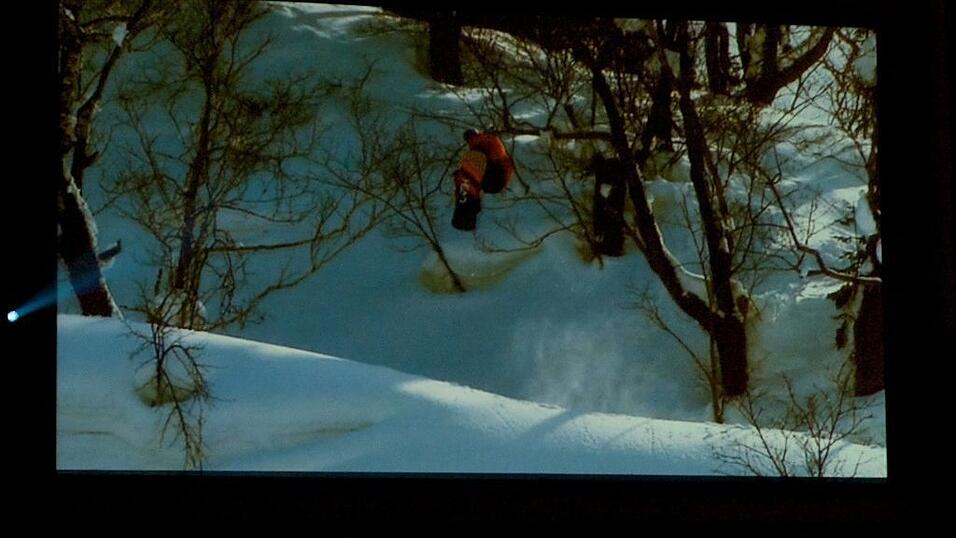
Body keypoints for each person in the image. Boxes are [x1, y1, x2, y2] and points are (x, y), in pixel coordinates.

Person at [451, 129, 513, 231]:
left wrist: (462, 174)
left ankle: (465, 211)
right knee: (467, 172)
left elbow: (474, 165)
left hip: (496, 175)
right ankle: (468, 208)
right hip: (497, 179)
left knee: (468, 169)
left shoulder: (480, 144)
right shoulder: (487, 142)